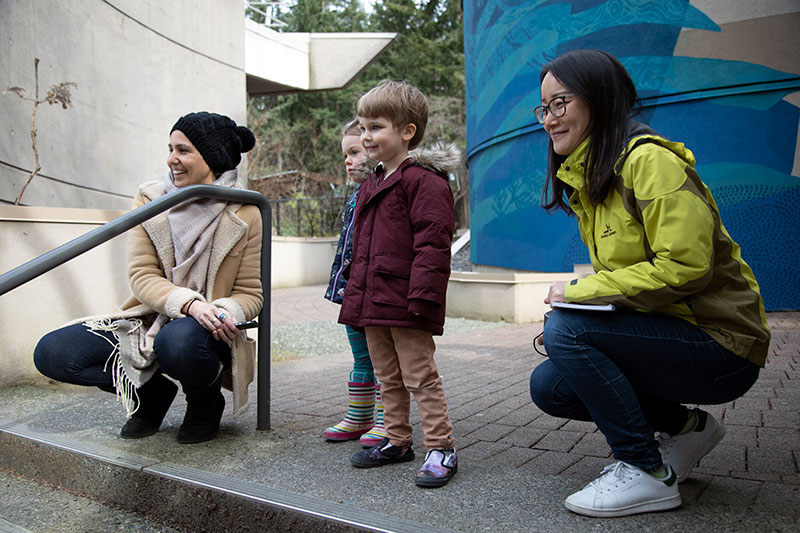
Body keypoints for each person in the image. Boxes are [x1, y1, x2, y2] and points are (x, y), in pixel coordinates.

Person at [528, 49, 770, 517]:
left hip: (723, 343)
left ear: (598, 98)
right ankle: (688, 429)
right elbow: (627, 276)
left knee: (568, 331)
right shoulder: (594, 176)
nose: (549, 120)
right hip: (676, 329)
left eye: (560, 103)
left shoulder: (649, 162)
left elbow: (686, 266)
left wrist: (577, 294)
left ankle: (645, 471)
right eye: (544, 108)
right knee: (550, 385)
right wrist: (584, 302)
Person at [34, 112, 262, 445]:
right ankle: (151, 394)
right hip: (148, 318)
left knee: (178, 341)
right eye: (170, 149)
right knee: (53, 353)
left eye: (183, 150)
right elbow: (142, 276)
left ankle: (205, 402)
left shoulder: (247, 210)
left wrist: (223, 311)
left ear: (212, 158)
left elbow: (250, 293)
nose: (171, 159)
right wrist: (189, 304)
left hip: (208, 329)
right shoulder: (151, 200)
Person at [338, 80, 462, 488]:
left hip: (407, 301)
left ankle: (441, 447)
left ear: (407, 131)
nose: (366, 136)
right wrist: (355, 294)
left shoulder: (425, 182)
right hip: (373, 300)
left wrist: (423, 298)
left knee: (419, 376)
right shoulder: (372, 182)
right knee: (386, 376)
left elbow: (433, 244)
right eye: (363, 127)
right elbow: (363, 247)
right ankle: (396, 440)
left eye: (376, 127)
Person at [323, 118, 386, 447]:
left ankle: (388, 420)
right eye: (345, 155)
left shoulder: (384, 191)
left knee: (384, 360)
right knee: (361, 358)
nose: (348, 161)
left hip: (376, 294)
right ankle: (360, 416)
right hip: (352, 292)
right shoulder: (355, 196)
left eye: (355, 152)